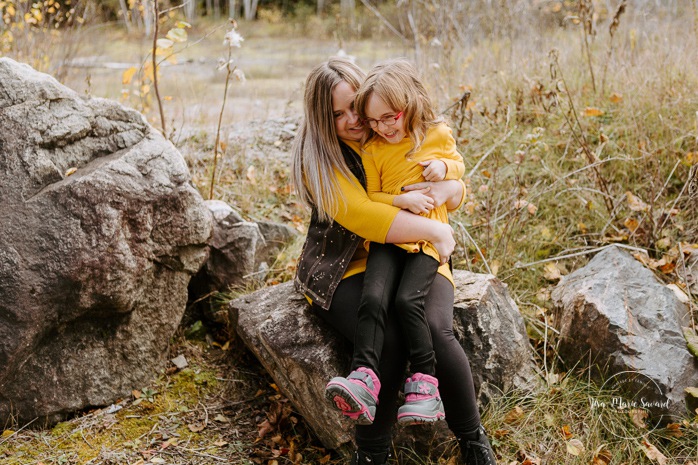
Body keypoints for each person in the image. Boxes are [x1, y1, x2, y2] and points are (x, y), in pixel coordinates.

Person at [291, 57, 497, 465]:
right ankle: (371, 454)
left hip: (415, 257)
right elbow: (364, 214)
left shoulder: (395, 130)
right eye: (337, 114)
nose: (352, 119)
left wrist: (450, 186)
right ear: (321, 119)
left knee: (435, 328)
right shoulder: (322, 160)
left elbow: (455, 189)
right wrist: (436, 232)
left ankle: (473, 440)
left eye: (355, 106)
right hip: (345, 268)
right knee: (389, 334)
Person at [324, 58, 464, 427]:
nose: (371, 125)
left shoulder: (434, 134)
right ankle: (364, 384)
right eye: (342, 115)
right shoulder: (358, 151)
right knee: (375, 301)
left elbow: (457, 172)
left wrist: (447, 177)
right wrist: (404, 204)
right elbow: (368, 204)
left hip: (425, 247)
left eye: (358, 110)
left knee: (414, 308)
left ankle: (440, 401)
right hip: (384, 244)